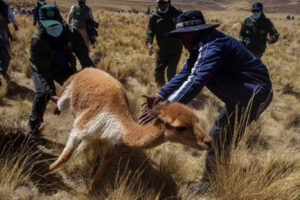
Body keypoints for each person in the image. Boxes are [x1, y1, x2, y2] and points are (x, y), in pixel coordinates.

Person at [139, 10, 273, 194]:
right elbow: (185, 74)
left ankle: (210, 186)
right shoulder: (200, 46)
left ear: (195, 31)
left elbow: (195, 80)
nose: (182, 40)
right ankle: (217, 178)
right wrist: (160, 95)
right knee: (220, 136)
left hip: (253, 96)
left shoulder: (212, 46)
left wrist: (166, 109)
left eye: (183, 35)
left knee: (219, 137)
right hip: (242, 97)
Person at [26, 5, 94, 138]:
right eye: (49, 25)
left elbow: (84, 58)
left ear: (60, 20)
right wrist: (52, 94)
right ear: (41, 23)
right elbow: (44, 73)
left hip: (62, 66)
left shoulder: (71, 33)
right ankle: (33, 125)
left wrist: (94, 78)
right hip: (41, 69)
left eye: (55, 24)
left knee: (78, 91)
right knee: (42, 94)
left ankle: (85, 125)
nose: (53, 28)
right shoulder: (37, 41)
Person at [146, 0, 182, 87]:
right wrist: (149, 43)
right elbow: (150, 30)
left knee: (171, 72)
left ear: (169, 3)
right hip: (162, 49)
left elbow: (184, 27)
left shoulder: (177, 13)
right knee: (158, 71)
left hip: (175, 49)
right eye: (160, 3)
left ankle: (172, 90)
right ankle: (161, 90)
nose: (162, 5)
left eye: (164, 3)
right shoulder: (154, 16)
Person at [0, 0, 18, 82]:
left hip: (2, 29)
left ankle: (3, 70)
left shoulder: (4, 5)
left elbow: (4, 20)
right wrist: (9, 34)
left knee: (5, 53)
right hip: (3, 29)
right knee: (5, 53)